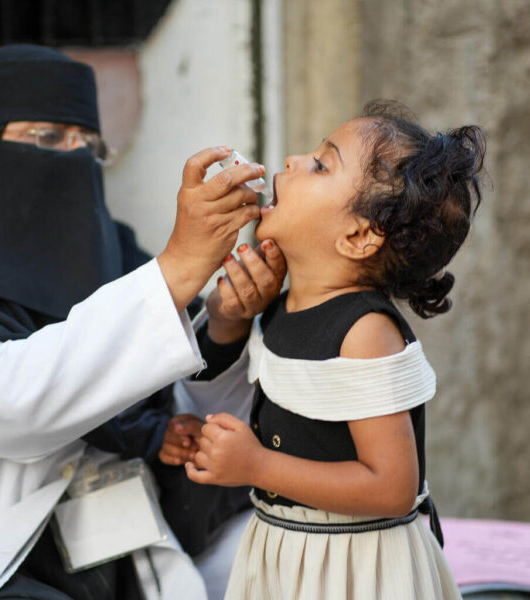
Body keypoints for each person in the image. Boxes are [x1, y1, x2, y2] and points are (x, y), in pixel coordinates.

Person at [0, 44, 285, 599]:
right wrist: (177, 271)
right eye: (47, 139)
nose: (74, 160)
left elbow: (183, 418)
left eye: (89, 146)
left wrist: (225, 328)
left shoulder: (109, 250)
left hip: (126, 557)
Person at [162, 100, 485, 599]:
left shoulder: (365, 334)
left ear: (358, 236)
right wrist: (214, 438)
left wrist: (255, 466)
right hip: (289, 553)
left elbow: (392, 487)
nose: (291, 161)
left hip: (354, 569)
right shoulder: (282, 303)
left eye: (320, 164)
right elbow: (289, 416)